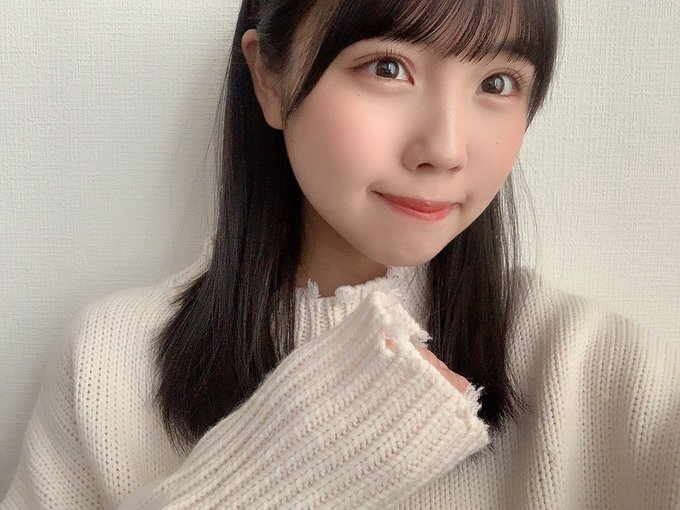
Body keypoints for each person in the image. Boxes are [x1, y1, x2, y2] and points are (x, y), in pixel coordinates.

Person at [2, 0, 679, 508]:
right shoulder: (110, 365)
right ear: (269, 77)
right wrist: (288, 469)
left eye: (497, 83)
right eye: (388, 67)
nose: (445, 149)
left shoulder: (604, 375)